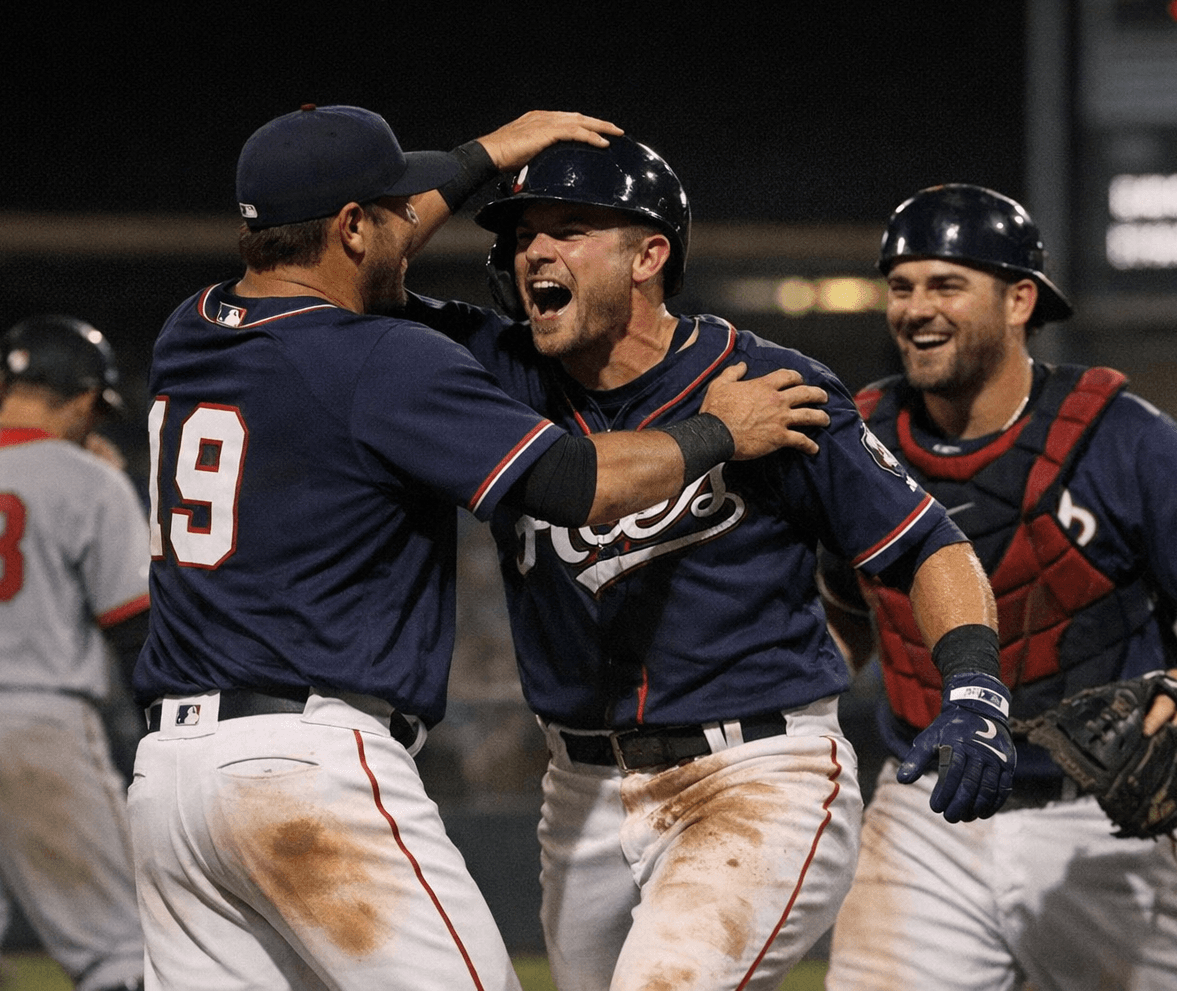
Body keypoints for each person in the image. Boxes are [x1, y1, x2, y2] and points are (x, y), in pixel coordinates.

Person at [129, 104, 832, 991]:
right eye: (396, 208)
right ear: (352, 227)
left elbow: (343, 249)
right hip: (303, 768)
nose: (416, 223)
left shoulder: (190, 328)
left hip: (169, 785)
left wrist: (484, 155)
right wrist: (718, 432)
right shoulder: (379, 357)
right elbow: (574, 481)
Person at [403, 136, 1009, 991]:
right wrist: (482, 156)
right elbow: (348, 270)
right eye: (522, 234)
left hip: (756, 775)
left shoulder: (770, 383)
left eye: (569, 229)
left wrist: (975, 685)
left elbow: (928, 544)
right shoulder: (498, 371)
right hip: (579, 788)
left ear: (649, 255)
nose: (533, 251)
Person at [819, 184, 1177, 991]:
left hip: (1100, 814)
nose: (916, 308)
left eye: (946, 285)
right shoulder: (859, 440)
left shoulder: (1120, 435)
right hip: (925, 810)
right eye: (901, 287)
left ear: (1020, 300)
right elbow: (843, 608)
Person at [0, 316, 149, 991]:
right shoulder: (89, 479)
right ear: (85, 400)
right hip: (30, 723)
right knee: (122, 949)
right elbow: (134, 627)